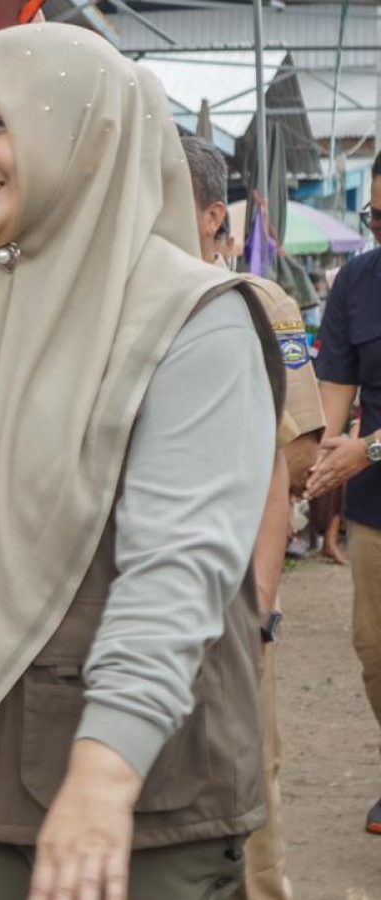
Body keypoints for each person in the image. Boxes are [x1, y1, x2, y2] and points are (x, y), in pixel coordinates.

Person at [0, 25, 281, 898]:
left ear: (86, 134)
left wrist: (105, 768)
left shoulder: (188, 316)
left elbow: (181, 562)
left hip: (118, 821)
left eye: (1, 123)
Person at [183, 134, 324, 900]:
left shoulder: (257, 302)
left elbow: (298, 450)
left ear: (213, 217)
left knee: (246, 768)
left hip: (235, 584)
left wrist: (259, 602)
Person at [307, 153, 381, 835]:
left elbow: (368, 438)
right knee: (373, 649)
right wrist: (324, 456)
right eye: (378, 218)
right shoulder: (356, 283)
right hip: (374, 510)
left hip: (376, 462)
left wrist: (370, 446)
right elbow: (335, 387)